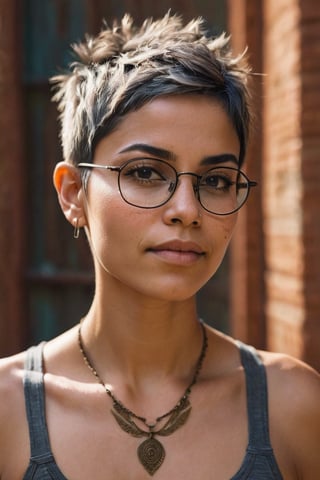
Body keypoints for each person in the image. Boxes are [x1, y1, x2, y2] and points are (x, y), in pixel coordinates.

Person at [0, 12, 319, 480]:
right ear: (73, 194)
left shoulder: (293, 407)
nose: (187, 209)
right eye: (145, 173)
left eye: (215, 180)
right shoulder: (8, 414)